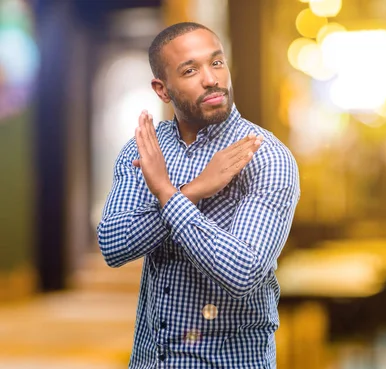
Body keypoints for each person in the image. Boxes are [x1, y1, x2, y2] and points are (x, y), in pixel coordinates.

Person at [97, 22, 300, 368]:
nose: (211, 79)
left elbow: (243, 272)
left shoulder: (265, 156)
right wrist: (193, 191)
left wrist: (166, 193)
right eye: (190, 70)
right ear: (162, 90)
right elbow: (114, 245)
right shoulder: (146, 150)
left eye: (217, 63)